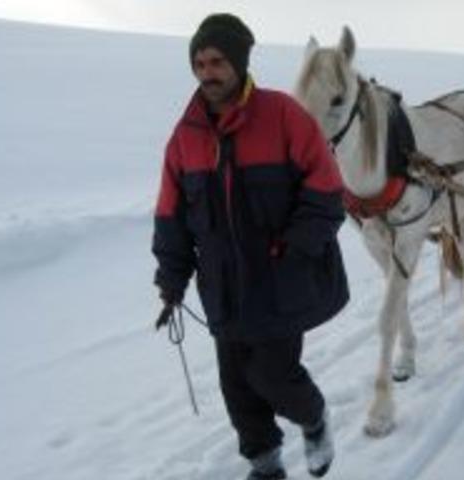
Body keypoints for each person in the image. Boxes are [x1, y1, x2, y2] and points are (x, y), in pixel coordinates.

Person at [152, 13, 348, 479]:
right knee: (237, 387)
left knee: (272, 376)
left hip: (277, 279)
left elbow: (327, 191)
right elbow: (170, 217)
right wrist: (172, 280)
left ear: (239, 63)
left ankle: (314, 419)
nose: (207, 73)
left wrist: (295, 248)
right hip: (221, 286)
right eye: (199, 63)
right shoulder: (184, 138)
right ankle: (265, 466)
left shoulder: (283, 115)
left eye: (217, 62)